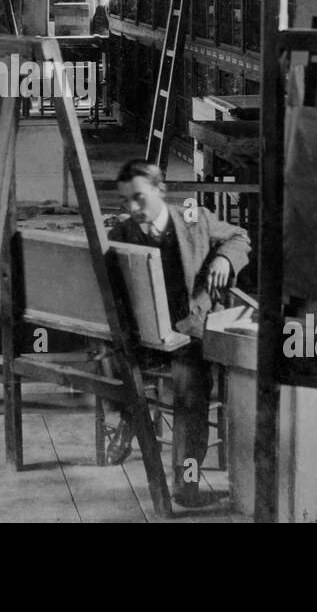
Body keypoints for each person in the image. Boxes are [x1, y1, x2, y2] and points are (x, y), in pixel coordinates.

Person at [105, 159, 251, 508]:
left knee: (189, 392)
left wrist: (224, 260)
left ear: (161, 191)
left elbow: (239, 236)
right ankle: (129, 415)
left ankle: (185, 485)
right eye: (125, 201)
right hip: (145, 337)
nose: (133, 209)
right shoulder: (120, 234)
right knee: (106, 353)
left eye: (139, 198)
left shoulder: (193, 220)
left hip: (189, 335)